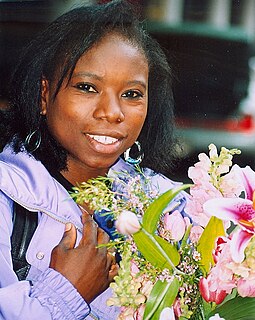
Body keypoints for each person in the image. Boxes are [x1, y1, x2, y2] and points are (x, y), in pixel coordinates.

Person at [0, 0, 187, 319]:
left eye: (132, 94)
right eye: (87, 87)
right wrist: (63, 294)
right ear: (44, 96)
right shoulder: (7, 197)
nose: (112, 113)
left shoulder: (171, 206)